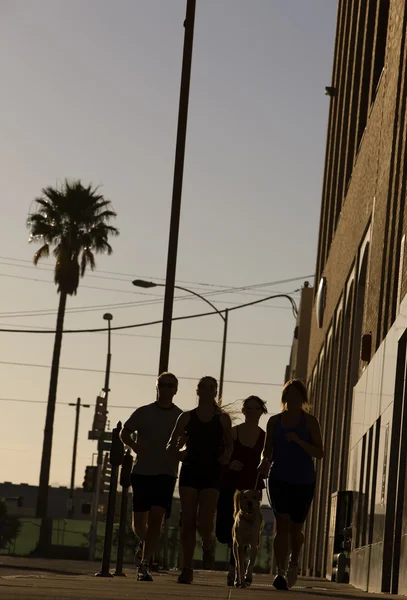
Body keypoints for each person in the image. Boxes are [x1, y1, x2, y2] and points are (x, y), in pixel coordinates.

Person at [258, 379, 323, 591]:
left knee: (296, 529)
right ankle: (281, 571)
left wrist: (300, 441)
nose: (293, 399)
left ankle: (294, 561)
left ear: (303, 398)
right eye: (289, 395)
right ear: (285, 398)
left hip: (303, 480)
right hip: (279, 478)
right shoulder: (274, 422)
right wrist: (264, 461)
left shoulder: (310, 422)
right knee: (282, 524)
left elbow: (319, 452)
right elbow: (267, 449)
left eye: (297, 395)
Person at [167, 376, 233, 585]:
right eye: (202, 387)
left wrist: (226, 456)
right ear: (197, 391)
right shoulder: (186, 417)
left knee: (204, 522)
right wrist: (179, 452)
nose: (206, 390)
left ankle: (208, 541)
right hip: (190, 470)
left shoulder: (222, 419)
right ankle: (187, 568)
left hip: (212, 472)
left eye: (211, 387)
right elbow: (171, 445)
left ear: (215, 392)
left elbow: (230, 445)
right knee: (188, 522)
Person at [120, 372, 183, 582]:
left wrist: (181, 453)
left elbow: (188, 442)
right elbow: (124, 433)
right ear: (157, 388)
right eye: (162, 385)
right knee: (139, 524)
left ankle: (144, 564)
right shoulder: (143, 412)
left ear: (176, 389)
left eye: (170, 385)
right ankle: (144, 544)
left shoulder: (181, 416)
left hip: (166, 474)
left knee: (157, 520)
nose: (166, 388)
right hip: (142, 472)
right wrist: (135, 446)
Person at [216, 395, 267, 586]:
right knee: (225, 530)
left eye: (257, 408)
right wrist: (230, 461)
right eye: (249, 408)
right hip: (231, 483)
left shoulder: (264, 437)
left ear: (262, 412)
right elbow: (220, 454)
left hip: (252, 485)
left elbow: (270, 457)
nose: (253, 412)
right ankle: (233, 559)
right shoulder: (233, 433)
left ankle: (234, 569)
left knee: (248, 529)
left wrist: (266, 466)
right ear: (243, 411)